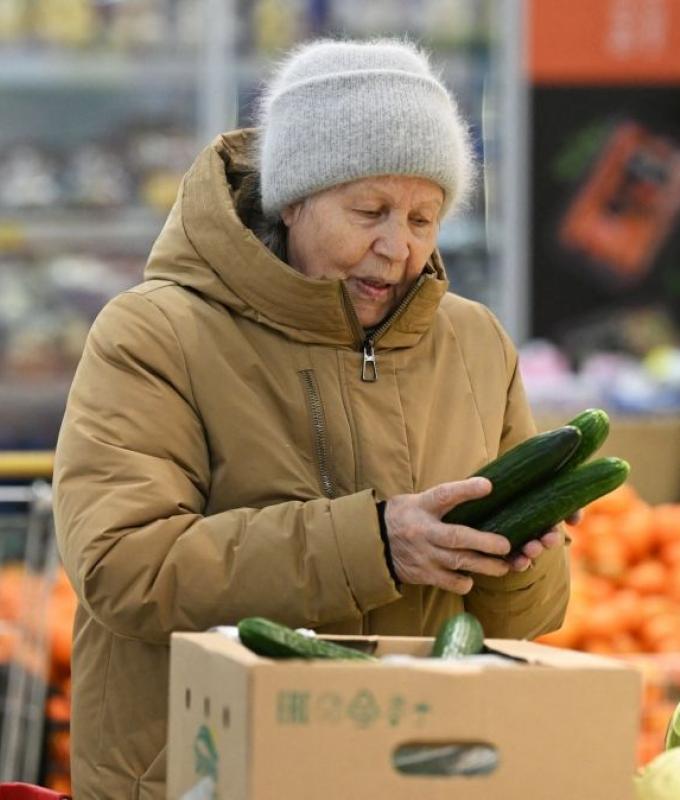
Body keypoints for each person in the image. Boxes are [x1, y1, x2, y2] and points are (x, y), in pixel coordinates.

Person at [53, 38, 570, 799]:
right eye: (370, 211)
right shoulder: (155, 333)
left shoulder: (475, 344)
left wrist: (520, 562)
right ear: (293, 198)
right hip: (200, 769)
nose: (398, 249)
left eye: (425, 218)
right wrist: (375, 544)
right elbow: (124, 566)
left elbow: (530, 620)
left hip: (408, 773)